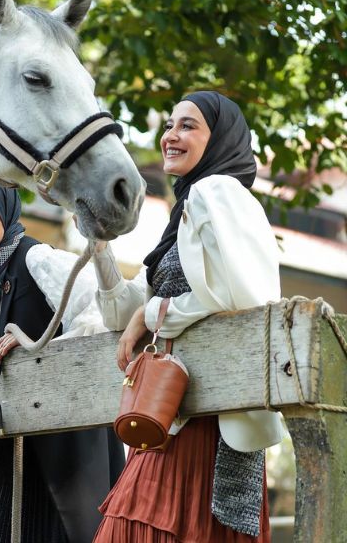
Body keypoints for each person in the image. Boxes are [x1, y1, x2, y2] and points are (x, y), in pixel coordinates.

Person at [92, 91, 286, 542]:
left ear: (218, 140)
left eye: (188, 126)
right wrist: (99, 246)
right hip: (171, 416)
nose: (171, 136)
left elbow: (240, 294)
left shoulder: (215, 190)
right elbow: (122, 315)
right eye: (170, 125)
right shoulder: (185, 209)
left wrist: (155, 311)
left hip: (204, 426)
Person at [0, 167, 125, 543]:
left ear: (6, 211)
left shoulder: (38, 260)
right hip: (4, 458)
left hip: (68, 453)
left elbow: (103, 319)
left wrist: (38, 346)